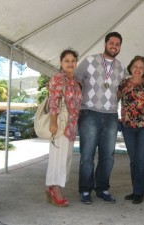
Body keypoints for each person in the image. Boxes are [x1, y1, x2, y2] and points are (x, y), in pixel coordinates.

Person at [75, 32, 126, 204]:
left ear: (120, 47)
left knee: (108, 156)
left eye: (117, 44)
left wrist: (113, 101)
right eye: (111, 42)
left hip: (111, 115)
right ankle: (85, 190)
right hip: (89, 112)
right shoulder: (89, 60)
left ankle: (102, 189)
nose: (114, 46)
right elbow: (75, 79)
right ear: (105, 44)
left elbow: (120, 91)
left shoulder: (121, 68)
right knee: (87, 155)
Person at [117, 55, 144, 204]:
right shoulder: (123, 84)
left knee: (142, 159)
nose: (138, 69)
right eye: (135, 66)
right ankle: (135, 189)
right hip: (127, 126)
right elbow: (112, 101)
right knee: (133, 160)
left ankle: (139, 192)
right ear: (130, 68)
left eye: (141, 67)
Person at [45, 49, 82, 207]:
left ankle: (52, 187)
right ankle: (54, 187)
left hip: (71, 125)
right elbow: (54, 100)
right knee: (57, 157)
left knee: (66, 157)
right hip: (60, 123)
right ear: (61, 63)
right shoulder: (58, 78)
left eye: (73, 60)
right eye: (66, 60)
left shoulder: (75, 80)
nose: (70, 63)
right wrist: (53, 122)